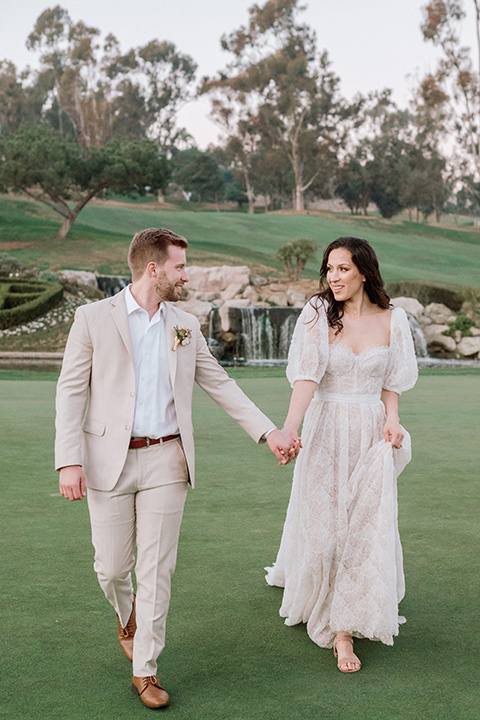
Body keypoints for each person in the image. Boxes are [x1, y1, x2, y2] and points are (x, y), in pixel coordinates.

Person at [55, 227, 297, 709]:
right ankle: (127, 618)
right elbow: (70, 390)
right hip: (108, 460)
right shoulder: (91, 319)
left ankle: (145, 670)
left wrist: (268, 432)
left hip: (169, 458)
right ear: (154, 269)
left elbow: (219, 382)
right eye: (180, 266)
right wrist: (69, 460)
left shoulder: (186, 324)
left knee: (157, 569)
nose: (187, 275)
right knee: (111, 568)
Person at [266, 236, 418, 673]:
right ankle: (325, 603)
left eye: (343, 269)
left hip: (371, 430)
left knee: (363, 525)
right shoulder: (318, 313)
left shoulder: (394, 319)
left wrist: (392, 419)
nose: (333, 277)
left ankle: (344, 629)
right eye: (329, 269)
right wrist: (289, 430)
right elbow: (307, 378)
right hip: (326, 427)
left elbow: (391, 381)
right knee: (327, 524)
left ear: (364, 271)